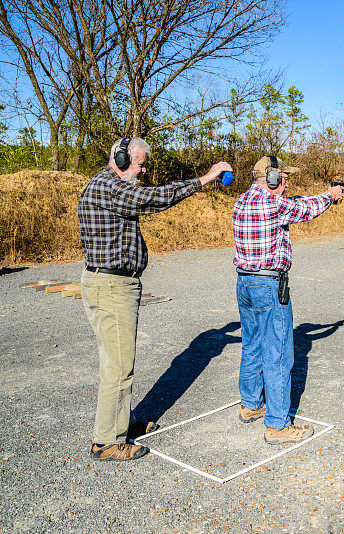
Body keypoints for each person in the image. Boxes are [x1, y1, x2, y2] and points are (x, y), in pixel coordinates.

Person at [79, 137, 232, 461]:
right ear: (121, 160)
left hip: (108, 283)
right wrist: (205, 178)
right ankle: (107, 440)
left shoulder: (105, 184)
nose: (145, 170)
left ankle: (120, 423)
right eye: (141, 164)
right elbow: (156, 198)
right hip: (112, 286)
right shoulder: (111, 187)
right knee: (119, 367)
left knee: (116, 362)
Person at [233, 155, 344, 442]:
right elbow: (306, 208)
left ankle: (251, 404)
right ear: (272, 179)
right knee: (279, 353)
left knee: (253, 344)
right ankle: (278, 425)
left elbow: (293, 201)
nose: (286, 183)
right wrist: (330, 196)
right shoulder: (274, 204)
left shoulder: (242, 200)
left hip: (244, 283)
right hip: (269, 285)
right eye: (283, 179)